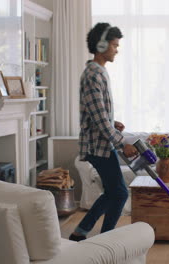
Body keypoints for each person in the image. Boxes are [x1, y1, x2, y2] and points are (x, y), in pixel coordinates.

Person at [69, 22, 138, 242]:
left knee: (112, 192)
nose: (117, 50)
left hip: (102, 144)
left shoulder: (99, 72)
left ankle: (80, 232)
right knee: (119, 192)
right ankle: (105, 239)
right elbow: (98, 119)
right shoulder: (93, 75)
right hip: (97, 146)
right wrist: (122, 143)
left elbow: (98, 112)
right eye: (115, 45)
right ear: (101, 45)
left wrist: (112, 121)